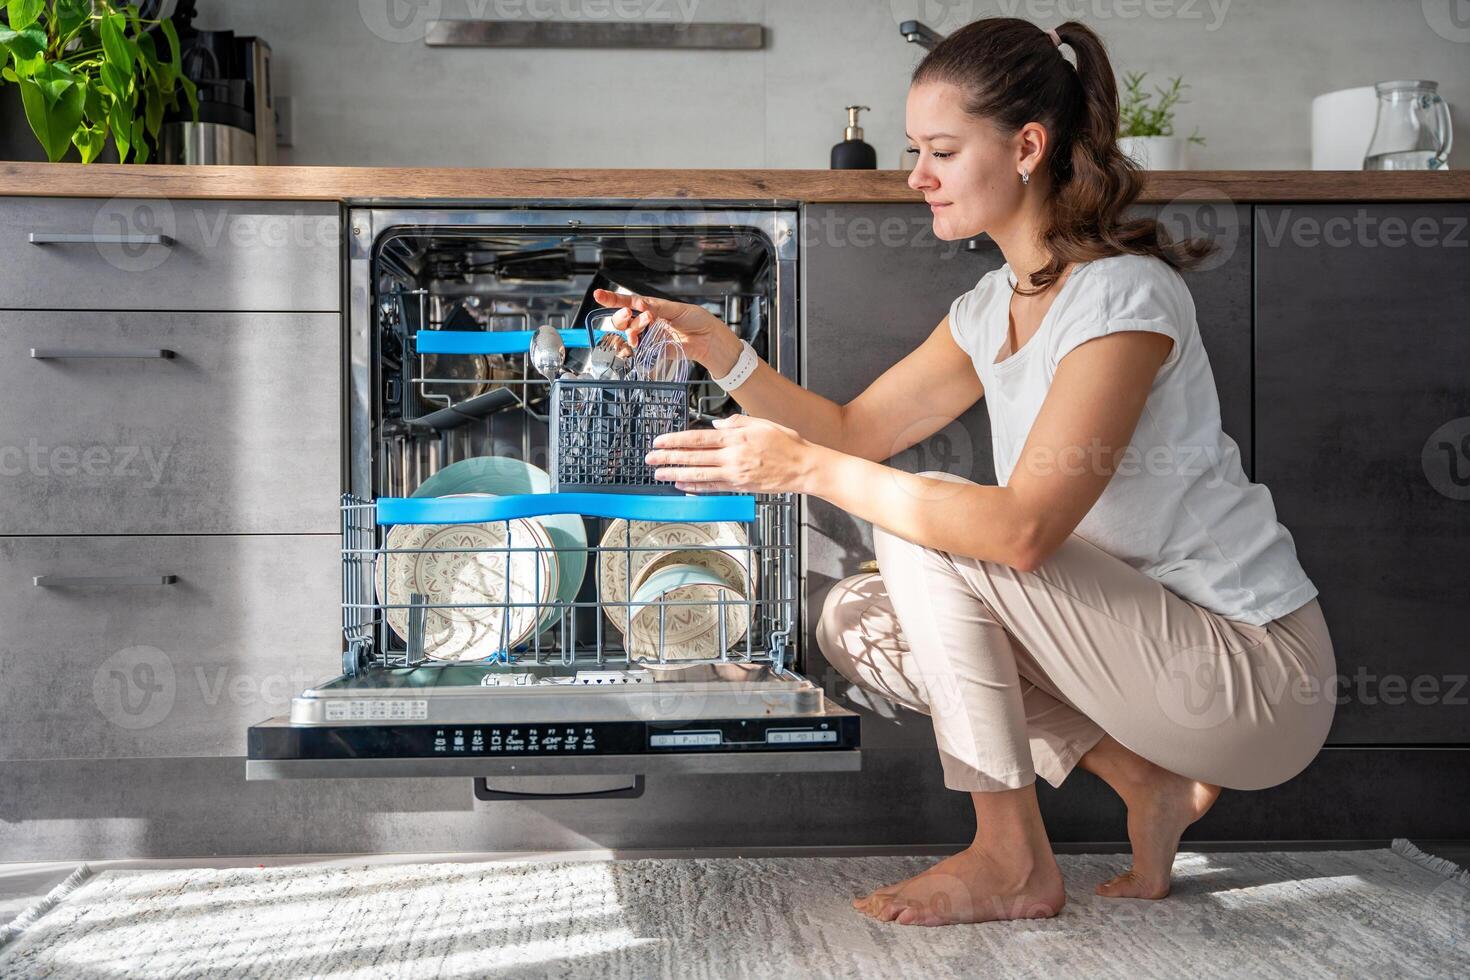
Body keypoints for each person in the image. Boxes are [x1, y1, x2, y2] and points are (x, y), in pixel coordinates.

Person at [595, 17, 1335, 928]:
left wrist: (806, 469)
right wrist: (724, 355)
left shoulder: (1124, 296)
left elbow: (1023, 531)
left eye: (942, 150)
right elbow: (854, 427)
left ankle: (1011, 860)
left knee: (930, 521)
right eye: (915, 150)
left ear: (1028, 147)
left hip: (1251, 676)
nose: (916, 176)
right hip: (1135, 660)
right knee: (857, 618)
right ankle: (1147, 779)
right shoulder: (991, 306)